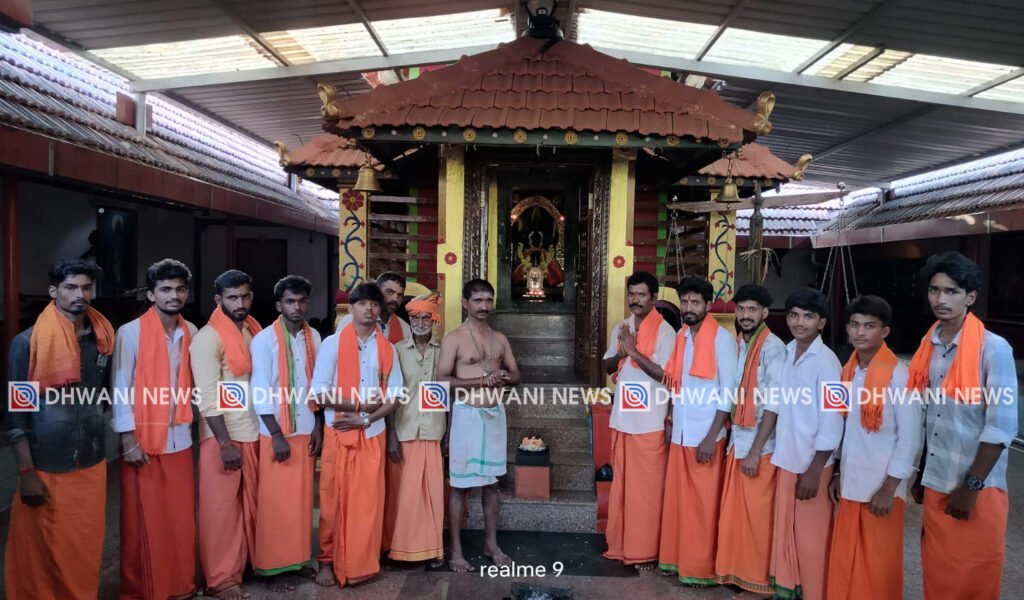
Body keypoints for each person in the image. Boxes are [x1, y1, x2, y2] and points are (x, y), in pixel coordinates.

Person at [909, 252, 1017, 600]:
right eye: (934, 290)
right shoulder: (929, 343)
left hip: (977, 487)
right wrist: (922, 472)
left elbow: (1001, 427)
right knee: (938, 573)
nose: (940, 299)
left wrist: (970, 487)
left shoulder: (993, 349)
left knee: (974, 577)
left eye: (951, 291)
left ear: (970, 297)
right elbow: (931, 415)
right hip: (937, 478)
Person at [4, 259, 113, 600]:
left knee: (85, 545)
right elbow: (17, 414)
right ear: (54, 291)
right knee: (43, 549)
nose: (80, 294)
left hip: (92, 460)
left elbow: (105, 396)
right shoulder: (27, 344)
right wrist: (26, 472)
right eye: (70, 287)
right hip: (46, 464)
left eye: (86, 287)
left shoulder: (102, 340)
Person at [826, 295, 922, 600]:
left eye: (869, 326)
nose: (860, 332)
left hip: (882, 485)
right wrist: (837, 472)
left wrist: (889, 488)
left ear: (885, 331)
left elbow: (911, 438)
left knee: (878, 562)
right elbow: (838, 425)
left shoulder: (900, 375)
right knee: (847, 556)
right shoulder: (845, 371)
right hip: (851, 479)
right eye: (854, 325)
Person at [112, 259, 198, 599]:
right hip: (143, 440)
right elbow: (121, 386)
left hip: (180, 437)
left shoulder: (191, 331)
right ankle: (142, 590)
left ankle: (179, 584)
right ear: (151, 295)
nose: (173, 295)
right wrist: (128, 438)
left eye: (179, 289)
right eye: (165, 289)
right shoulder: (130, 332)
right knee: (141, 521)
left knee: (179, 518)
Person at [310, 282, 403, 588]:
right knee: (333, 500)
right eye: (362, 304)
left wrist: (364, 418)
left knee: (367, 503)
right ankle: (327, 561)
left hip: (371, 432)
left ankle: (363, 562)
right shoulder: (332, 344)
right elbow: (318, 393)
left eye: (374, 304)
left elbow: (394, 397)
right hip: (338, 432)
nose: (369, 309)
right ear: (350, 308)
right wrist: (359, 406)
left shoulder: (387, 349)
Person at [658, 277, 737, 587]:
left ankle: (700, 569)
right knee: (680, 504)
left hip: (706, 436)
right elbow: (675, 385)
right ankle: (678, 561)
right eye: (685, 302)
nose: (688, 307)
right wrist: (670, 422)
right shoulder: (681, 336)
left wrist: (710, 437)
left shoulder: (722, 340)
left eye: (695, 302)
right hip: (681, 432)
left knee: (702, 508)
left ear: (708, 305)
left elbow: (727, 393)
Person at [437, 279, 520, 573]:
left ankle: (491, 544)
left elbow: (516, 374)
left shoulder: (500, 338)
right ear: (465, 303)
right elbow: (441, 381)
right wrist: (483, 380)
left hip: (495, 415)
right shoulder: (454, 338)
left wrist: (504, 377)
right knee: (460, 485)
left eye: (488, 300)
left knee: (492, 485)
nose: (484, 306)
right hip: (467, 415)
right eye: (477, 300)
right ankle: (456, 550)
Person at [190, 269, 263, 600]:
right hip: (222, 437)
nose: (240, 303)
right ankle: (221, 579)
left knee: (249, 506)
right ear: (218, 300)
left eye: (245, 296)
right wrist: (223, 443)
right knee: (220, 511)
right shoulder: (208, 338)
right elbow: (206, 395)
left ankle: (245, 565)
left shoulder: (250, 330)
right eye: (232, 298)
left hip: (252, 430)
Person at [767, 288, 843, 600]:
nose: (800, 322)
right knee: (786, 531)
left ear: (821, 323)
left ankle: (815, 593)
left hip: (814, 464)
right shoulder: (786, 353)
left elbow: (834, 418)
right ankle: (788, 591)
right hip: (787, 457)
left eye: (808, 317)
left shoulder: (828, 363)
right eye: (794, 315)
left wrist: (815, 470)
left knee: (812, 538)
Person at [250, 276, 323, 592]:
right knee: (276, 504)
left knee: (302, 503)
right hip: (276, 433)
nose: (297, 306)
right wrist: (276, 435)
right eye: (290, 301)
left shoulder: (314, 337)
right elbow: (259, 389)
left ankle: (298, 560)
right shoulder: (264, 339)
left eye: (302, 300)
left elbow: (317, 386)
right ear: (279, 305)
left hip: (306, 429)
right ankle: (273, 569)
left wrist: (318, 426)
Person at [714, 284, 786, 594]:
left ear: (765, 313)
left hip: (760, 447)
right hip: (738, 442)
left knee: (756, 518)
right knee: (736, 517)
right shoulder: (740, 343)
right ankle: (737, 574)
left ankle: (757, 581)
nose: (745, 315)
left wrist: (756, 451)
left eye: (752, 309)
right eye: (741, 309)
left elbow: (773, 405)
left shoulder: (773, 348)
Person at [601, 271, 674, 571]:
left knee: (647, 492)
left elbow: (666, 375)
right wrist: (620, 352)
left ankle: (646, 551)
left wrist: (633, 352)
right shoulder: (622, 327)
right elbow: (608, 366)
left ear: (654, 297)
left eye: (641, 294)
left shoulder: (667, 332)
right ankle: (621, 546)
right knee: (623, 489)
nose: (635, 299)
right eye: (631, 294)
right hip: (624, 421)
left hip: (650, 424)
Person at [381, 293, 446, 566]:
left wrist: (448, 432)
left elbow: (448, 394)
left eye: (426, 318)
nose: (420, 323)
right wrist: (391, 436)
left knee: (432, 495)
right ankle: (399, 549)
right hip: (404, 430)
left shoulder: (443, 350)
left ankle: (432, 550)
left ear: (434, 320)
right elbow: (390, 396)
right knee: (403, 496)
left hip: (433, 432)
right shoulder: (396, 350)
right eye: (415, 318)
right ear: (409, 319)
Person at [336, 272, 412, 343]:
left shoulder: (404, 328)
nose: (395, 299)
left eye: (400, 295)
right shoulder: (351, 320)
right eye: (389, 292)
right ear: (378, 292)